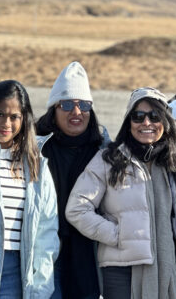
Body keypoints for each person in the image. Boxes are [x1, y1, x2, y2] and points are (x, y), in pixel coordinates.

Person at [66, 87, 176, 299]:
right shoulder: (109, 160)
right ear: (128, 122)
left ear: (166, 122)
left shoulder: (175, 164)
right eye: (138, 116)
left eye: (155, 116)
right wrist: (117, 235)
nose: (146, 123)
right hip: (121, 271)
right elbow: (77, 209)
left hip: (170, 267)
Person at [0, 80, 59, 298]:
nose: (6, 123)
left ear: (24, 120)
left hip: (17, 273)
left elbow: (46, 232)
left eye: (14, 116)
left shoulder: (36, 164)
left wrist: (41, 287)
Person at [35, 62, 110, 299]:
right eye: (67, 104)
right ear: (53, 109)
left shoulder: (104, 151)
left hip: (88, 252)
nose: (76, 112)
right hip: (45, 251)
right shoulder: (36, 148)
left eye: (84, 105)